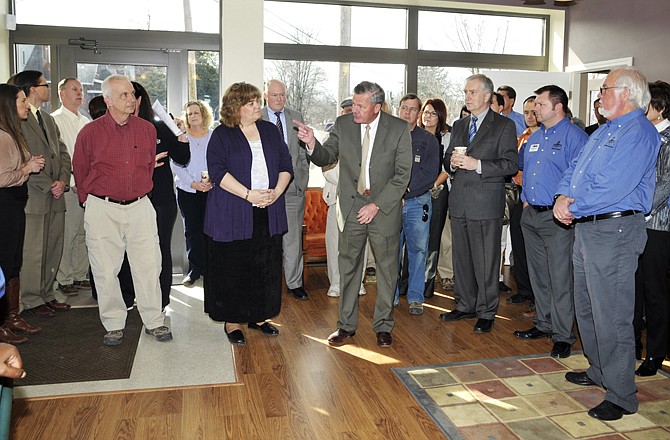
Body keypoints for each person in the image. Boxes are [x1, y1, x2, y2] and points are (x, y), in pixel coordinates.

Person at [554, 67, 660, 421]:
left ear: (626, 93)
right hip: (588, 228)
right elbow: (574, 168)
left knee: (612, 315)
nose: (598, 96)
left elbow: (614, 187)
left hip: (614, 231)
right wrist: (561, 196)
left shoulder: (639, 133)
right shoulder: (605, 130)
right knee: (587, 309)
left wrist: (574, 207)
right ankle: (599, 370)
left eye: (604, 89)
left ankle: (622, 394)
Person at [295, 81, 412, 348]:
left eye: (361, 106)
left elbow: (403, 174)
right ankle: (345, 326)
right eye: (354, 104)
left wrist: (377, 205)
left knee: (386, 271)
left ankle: (383, 326)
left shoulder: (397, 128)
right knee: (348, 268)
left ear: (377, 107)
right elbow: (327, 156)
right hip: (351, 206)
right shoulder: (343, 124)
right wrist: (312, 143)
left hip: (383, 209)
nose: (354, 110)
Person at [73, 74, 173, 346]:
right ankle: (114, 323)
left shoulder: (147, 129)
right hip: (102, 207)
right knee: (105, 269)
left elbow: (148, 168)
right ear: (108, 100)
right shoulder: (90, 132)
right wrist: (88, 201)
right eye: (124, 95)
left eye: (132, 94)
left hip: (141, 205)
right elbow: (80, 169)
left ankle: (154, 320)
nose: (132, 99)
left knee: (150, 265)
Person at [204, 82, 292, 346]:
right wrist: (248, 194)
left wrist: (276, 191)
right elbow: (218, 173)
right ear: (236, 107)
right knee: (235, 266)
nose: (258, 106)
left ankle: (259, 316)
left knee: (264, 266)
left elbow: (286, 164)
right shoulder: (222, 134)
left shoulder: (269, 130)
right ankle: (233, 321)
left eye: (257, 101)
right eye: (252, 103)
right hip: (233, 211)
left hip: (268, 210)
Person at [439, 74, 518, 333]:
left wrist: (478, 165)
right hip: (459, 201)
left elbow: (510, 165)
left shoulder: (503, 126)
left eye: (472, 92)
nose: (467, 97)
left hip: (485, 203)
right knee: (462, 259)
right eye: (465, 92)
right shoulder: (460, 125)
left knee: (486, 261)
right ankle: (465, 304)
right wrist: (451, 162)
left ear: (487, 96)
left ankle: (486, 311)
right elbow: (449, 157)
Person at [513, 85, 587, 359]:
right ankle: (544, 323)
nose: (535, 109)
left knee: (560, 277)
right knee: (539, 275)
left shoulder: (575, 137)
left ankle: (563, 334)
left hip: (557, 219)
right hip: (531, 213)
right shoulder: (534, 137)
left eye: (541, 105)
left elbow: (579, 180)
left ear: (558, 107)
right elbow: (522, 169)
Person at [12, 70, 72, 317]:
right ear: (32, 89)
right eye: (44, 84)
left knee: (53, 247)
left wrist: (62, 180)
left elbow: (63, 153)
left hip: (56, 194)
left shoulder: (48, 119)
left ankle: (47, 294)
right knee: (34, 251)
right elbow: (21, 160)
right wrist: (49, 184)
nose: (48, 88)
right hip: (34, 196)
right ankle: (31, 299)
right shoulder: (18, 119)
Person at [0, 83, 45, 343]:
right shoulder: (4, 136)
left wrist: (28, 166)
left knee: (13, 261)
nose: (26, 104)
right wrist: (27, 169)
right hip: (5, 204)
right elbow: (3, 177)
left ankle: (11, 316)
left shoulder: (12, 132)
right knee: (5, 263)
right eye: (20, 100)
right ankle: (3, 322)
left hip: (15, 204)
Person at [633, 80, 670, 376]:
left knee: (654, 292)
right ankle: (631, 343)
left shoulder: (668, 139)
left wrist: (640, 209)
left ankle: (656, 353)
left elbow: (664, 186)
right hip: (633, 222)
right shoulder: (642, 135)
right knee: (632, 289)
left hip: (657, 226)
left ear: (659, 108)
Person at [261, 79, 309, 301]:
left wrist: (302, 181)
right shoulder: (256, 117)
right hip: (265, 191)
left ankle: (294, 283)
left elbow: (302, 152)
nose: (279, 99)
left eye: (282, 95)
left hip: (292, 189)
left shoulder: (295, 116)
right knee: (267, 240)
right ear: (265, 96)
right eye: (274, 95)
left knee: (292, 240)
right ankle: (266, 285)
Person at [394, 94, 439, 314]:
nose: (408, 112)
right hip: (391, 204)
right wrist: (394, 194)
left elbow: (429, 175)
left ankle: (415, 298)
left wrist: (405, 191)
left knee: (418, 252)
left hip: (417, 203)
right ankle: (389, 296)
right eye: (404, 108)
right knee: (391, 252)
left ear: (418, 113)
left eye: (413, 109)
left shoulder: (428, 140)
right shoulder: (388, 137)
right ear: (398, 109)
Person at [52, 78, 90, 296]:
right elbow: (61, 158)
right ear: (62, 93)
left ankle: (80, 274)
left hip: (88, 188)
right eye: (74, 89)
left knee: (84, 233)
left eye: (81, 90)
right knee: (68, 232)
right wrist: (75, 182)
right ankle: (64, 278)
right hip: (70, 186)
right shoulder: (55, 120)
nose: (79, 93)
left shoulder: (85, 121)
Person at [171, 100, 213, 287]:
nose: (193, 116)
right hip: (188, 191)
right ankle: (194, 269)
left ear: (204, 115)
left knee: (210, 231)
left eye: (196, 112)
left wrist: (211, 182)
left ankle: (210, 269)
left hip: (211, 190)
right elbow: (176, 165)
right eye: (189, 114)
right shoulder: (182, 137)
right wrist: (193, 183)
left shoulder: (213, 137)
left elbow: (219, 161)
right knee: (192, 231)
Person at [507, 96, 539, 317]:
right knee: (518, 245)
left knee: (535, 250)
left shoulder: (546, 137)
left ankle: (539, 297)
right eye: (525, 112)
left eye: (533, 112)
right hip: (519, 195)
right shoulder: (522, 138)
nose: (529, 116)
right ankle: (524, 290)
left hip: (538, 200)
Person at [418, 98, 452, 295]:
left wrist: (432, 185)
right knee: (415, 238)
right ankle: (410, 280)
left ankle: (427, 284)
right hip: (415, 193)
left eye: (432, 113)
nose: (427, 117)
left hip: (437, 191)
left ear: (440, 116)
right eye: (425, 112)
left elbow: (447, 168)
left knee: (433, 239)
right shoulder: (415, 135)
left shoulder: (446, 137)